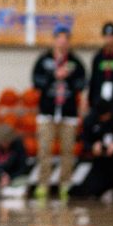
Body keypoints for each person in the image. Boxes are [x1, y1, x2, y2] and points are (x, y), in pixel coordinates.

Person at [31, 25, 86, 200]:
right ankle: (43, 184)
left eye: (66, 38)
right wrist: (54, 76)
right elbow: (36, 82)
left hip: (68, 113)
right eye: (59, 37)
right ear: (54, 39)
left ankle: (65, 184)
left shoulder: (75, 62)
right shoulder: (44, 60)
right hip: (47, 112)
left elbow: (82, 83)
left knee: (68, 151)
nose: (62, 41)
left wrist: (67, 76)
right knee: (44, 150)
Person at [73, 100, 113, 200]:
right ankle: (104, 188)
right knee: (90, 189)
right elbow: (84, 140)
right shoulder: (90, 119)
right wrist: (93, 146)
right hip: (100, 159)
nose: (104, 118)